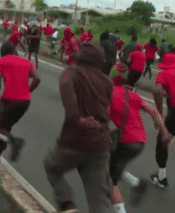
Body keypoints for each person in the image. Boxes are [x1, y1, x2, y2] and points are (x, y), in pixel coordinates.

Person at [44, 43, 115, 213]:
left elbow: (66, 87)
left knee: (52, 167)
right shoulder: (107, 82)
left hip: (74, 140)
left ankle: (67, 203)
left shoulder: (72, 73)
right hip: (101, 143)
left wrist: (77, 118)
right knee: (98, 198)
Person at [108, 62, 173, 213]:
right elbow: (154, 111)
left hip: (126, 141)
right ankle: (135, 182)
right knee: (113, 161)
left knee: (110, 180)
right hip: (140, 142)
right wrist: (164, 133)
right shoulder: (132, 95)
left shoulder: (110, 93)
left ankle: (123, 207)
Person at [0, 41, 41, 162]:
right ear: (14, 51)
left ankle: (15, 141)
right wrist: (27, 92)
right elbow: (37, 78)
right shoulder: (27, 62)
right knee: (6, 127)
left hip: (10, 100)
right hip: (25, 102)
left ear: (2, 53)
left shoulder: (1, 61)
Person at [151, 53, 175, 188]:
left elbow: (157, 91)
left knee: (162, 141)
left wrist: (159, 115)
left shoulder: (164, 74)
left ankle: (161, 178)